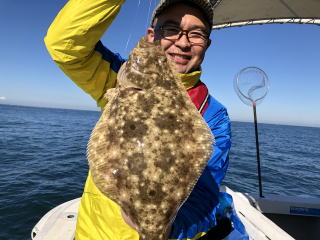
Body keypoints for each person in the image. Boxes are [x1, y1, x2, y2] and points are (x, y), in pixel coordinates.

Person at [45, 0, 248, 239]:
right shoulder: (119, 78)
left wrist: (164, 229)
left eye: (196, 35)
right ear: (152, 35)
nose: (182, 43)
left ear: (207, 44)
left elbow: (206, 193)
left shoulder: (212, 113)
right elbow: (63, 43)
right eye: (171, 29)